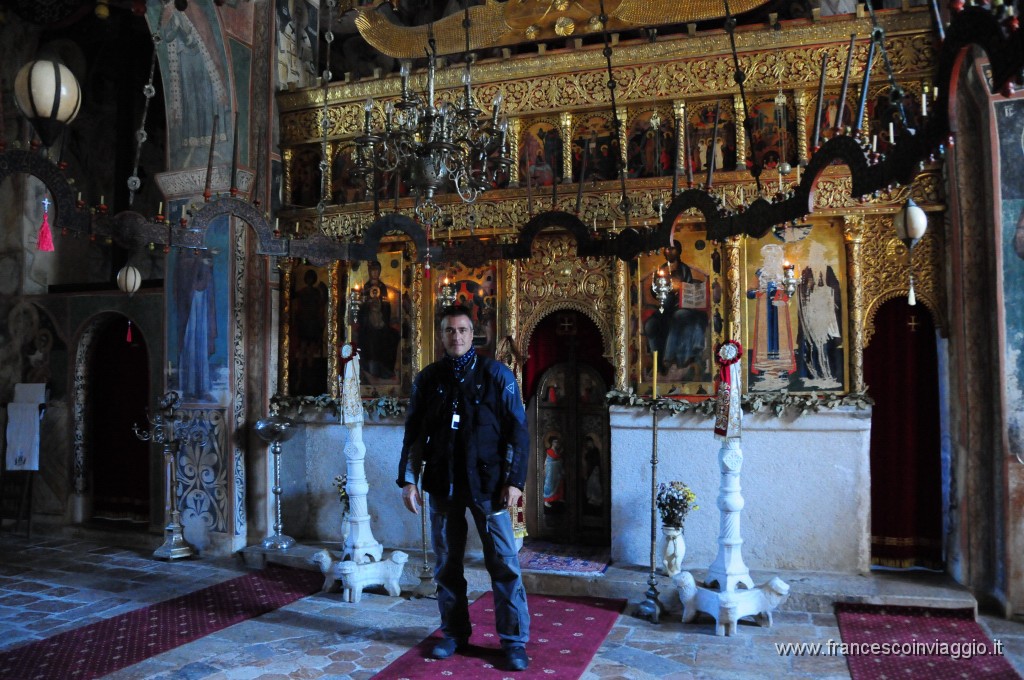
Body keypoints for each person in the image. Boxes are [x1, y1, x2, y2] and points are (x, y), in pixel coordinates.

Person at [397, 305, 531, 672]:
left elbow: (518, 434)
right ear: (441, 336)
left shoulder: (497, 376)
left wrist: (515, 482)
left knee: (504, 563)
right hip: (443, 484)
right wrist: (410, 479)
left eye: (462, 330)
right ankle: (454, 632)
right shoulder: (428, 379)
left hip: (490, 488)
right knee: (446, 564)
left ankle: (514, 640)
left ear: (474, 335)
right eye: (449, 330)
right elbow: (414, 434)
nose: (456, 336)